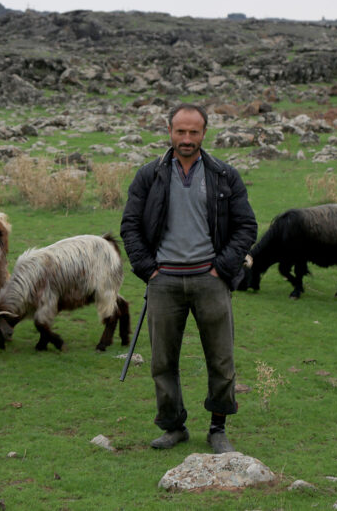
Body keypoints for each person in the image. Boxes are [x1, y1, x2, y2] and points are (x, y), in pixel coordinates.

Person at [120, 103, 257, 453]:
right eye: (180, 131)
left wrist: (221, 269)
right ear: (169, 131)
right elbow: (130, 226)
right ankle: (173, 426)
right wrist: (149, 269)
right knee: (162, 361)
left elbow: (246, 226)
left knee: (221, 359)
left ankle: (218, 428)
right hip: (163, 282)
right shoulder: (149, 175)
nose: (186, 138)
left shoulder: (224, 175)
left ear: (204, 133)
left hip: (210, 280)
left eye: (193, 131)